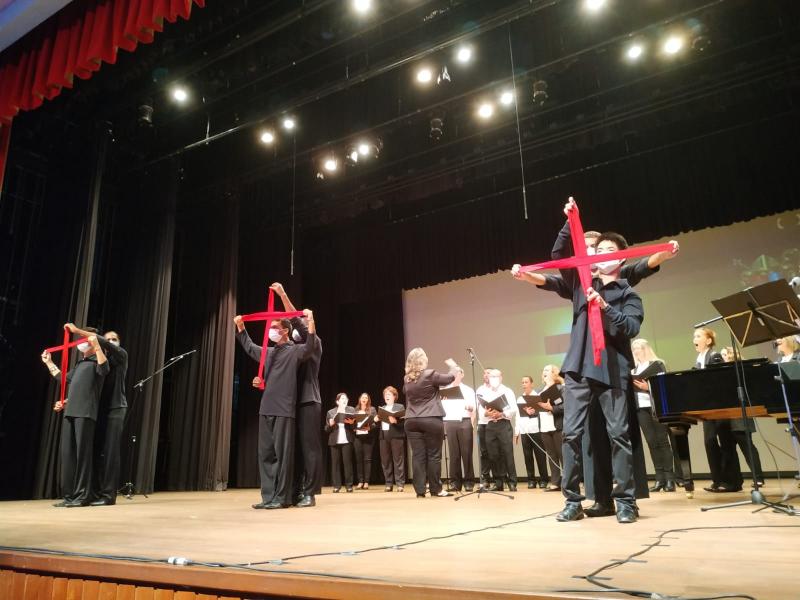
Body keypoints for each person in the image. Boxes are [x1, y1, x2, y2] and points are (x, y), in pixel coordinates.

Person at [513, 198, 644, 523]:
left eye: (608, 251)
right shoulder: (580, 285)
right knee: (571, 436)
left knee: (619, 436)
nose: (600, 254)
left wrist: (605, 307)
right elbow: (559, 254)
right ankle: (572, 501)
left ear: (620, 258)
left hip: (612, 370)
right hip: (577, 371)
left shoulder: (628, 294)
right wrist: (569, 220)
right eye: (597, 250)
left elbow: (630, 328)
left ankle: (625, 502)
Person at [234, 309, 317, 509]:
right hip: (266, 408)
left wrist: (311, 321)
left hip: (284, 409)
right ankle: (268, 497)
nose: (270, 331)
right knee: (265, 454)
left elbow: (311, 346)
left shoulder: (295, 351)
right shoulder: (269, 353)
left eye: (274, 327)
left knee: (283, 455)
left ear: (285, 331)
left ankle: (282, 498)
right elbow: (250, 347)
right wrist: (241, 327)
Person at [269, 283, 323, 508]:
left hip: (308, 401)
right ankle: (294, 489)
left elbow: (296, 319)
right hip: (290, 403)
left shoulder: (313, 343)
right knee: (294, 449)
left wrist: (282, 294)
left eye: (296, 329)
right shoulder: (289, 350)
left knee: (309, 448)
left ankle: (310, 492)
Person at [41, 331, 109, 507]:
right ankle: (70, 496)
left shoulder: (97, 361)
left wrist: (97, 345)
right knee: (68, 455)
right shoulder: (80, 364)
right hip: (70, 412)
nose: (79, 343)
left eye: (83, 340)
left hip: (85, 413)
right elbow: (63, 378)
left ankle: (83, 495)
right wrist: (49, 363)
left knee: (82, 456)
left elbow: (104, 368)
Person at [65, 324, 128, 506]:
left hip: (115, 409)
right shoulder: (97, 361)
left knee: (110, 452)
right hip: (98, 410)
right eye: (108, 339)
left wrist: (77, 331)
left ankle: (108, 495)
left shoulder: (121, 356)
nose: (110, 341)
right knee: (94, 451)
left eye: (114, 339)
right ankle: (92, 492)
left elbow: (100, 341)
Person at [693, 328, 743, 493]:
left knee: (726, 443)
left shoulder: (714, 356)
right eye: (694, 336)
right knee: (710, 442)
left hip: (719, 407)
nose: (695, 339)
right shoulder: (699, 359)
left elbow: (718, 381)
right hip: (708, 408)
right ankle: (718, 479)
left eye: (698, 336)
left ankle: (733, 481)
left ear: (708, 341)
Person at [403, 348, 457, 498]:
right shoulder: (429, 374)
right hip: (430, 418)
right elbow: (450, 378)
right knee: (434, 455)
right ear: (423, 360)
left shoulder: (407, 378)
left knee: (418, 456)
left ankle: (420, 491)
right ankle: (436, 489)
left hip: (411, 420)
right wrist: (454, 366)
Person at [630, 339, 676, 492]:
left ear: (645, 349)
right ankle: (659, 478)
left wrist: (647, 386)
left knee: (662, 441)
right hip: (641, 408)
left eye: (638, 348)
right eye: (634, 349)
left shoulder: (657, 364)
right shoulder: (633, 370)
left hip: (656, 406)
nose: (636, 351)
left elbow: (664, 385)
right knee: (651, 442)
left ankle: (670, 479)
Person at [720, 346, 765, 487]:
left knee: (747, 446)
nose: (722, 358)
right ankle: (733, 481)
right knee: (729, 450)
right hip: (727, 415)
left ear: (731, 355)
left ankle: (758, 477)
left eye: (724, 354)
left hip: (740, 413)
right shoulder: (722, 372)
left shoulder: (741, 370)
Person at [477, 368, 518, 492]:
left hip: (503, 424)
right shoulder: (485, 391)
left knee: (507, 453)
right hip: (490, 425)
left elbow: (513, 409)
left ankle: (512, 482)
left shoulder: (507, 391)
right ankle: (498, 482)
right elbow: (481, 411)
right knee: (493, 455)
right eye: (491, 377)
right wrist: (487, 413)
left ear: (501, 378)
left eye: (495, 376)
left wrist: (501, 413)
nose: (493, 379)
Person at [441, 367, 476, 492]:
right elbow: (442, 409)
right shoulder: (445, 390)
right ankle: (455, 482)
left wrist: (468, 406)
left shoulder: (468, 390)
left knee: (466, 453)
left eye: (457, 373)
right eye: (452, 373)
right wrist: (442, 401)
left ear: (462, 374)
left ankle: (469, 482)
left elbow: (473, 407)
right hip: (450, 422)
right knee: (454, 454)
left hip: (464, 421)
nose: (454, 375)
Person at [515, 375, 548, 489]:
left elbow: (543, 412)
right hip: (525, 431)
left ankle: (544, 479)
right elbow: (518, 416)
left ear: (532, 384)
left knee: (540, 456)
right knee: (527, 456)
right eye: (522, 382)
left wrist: (535, 412)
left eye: (526, 382)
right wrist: (517, 432)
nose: (524, 384)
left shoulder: (538, 397)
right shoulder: (520, 399)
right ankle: (531, 480)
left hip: (537, 430)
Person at [537, 364, 564, 491]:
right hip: (544, 426)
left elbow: (566, 406)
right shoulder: (540, 391)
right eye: (543, 370)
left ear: (554, 373)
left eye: (547, 370)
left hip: (557, 426)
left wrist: (552, 408)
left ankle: (568, 482)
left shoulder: (561, 388)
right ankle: (555, 482)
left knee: (562, 455)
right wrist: (532, 410)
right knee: (552, 456)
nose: (544, 372)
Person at [377, 386, 406, 492]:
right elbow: (378, 424)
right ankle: (388, 483)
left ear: (394, 396)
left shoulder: (399, 407)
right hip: (383, 436)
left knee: (398, 460)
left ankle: (400, 484)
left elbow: (404, 422)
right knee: (385, 461)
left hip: (396, 435)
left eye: (389, 394)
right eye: (385, 395)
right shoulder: (382, 408)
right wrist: (376, 420)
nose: (387, 396)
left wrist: (396, 421)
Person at [325, 393, 355, 493]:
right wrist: (330, 425)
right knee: (335, 464)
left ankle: (349, 485)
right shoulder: (331, 412)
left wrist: (352, 423)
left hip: (347, 440)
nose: (344, 400)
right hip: (335, 441)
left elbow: (355, 426)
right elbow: (326, 429)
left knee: (348, 463)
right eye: (342, 399)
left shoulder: (351, 410)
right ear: (337, 401)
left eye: (346, 398)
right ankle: (336, 486)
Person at [353, 392, 377, 489]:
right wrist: (354, 428)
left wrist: (370, 427)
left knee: (367, 460)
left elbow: (375, 423)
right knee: (358, 460)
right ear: (360, 399)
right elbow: (351, 424)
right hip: (357, 437)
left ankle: (366, 482)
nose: (364, 399)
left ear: (368, 400)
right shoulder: (355, 410)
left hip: (368, 437)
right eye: (362, 397)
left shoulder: (372, 409)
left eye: (366, 398)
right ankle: (360, 481)